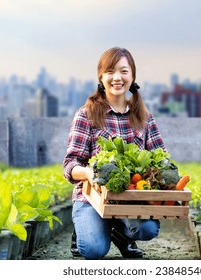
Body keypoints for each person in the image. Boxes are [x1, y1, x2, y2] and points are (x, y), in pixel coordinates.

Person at [62, 47, 167, 260]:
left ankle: (122, 234)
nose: (117, 78)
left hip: (131, 198)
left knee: (148, 229)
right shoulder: (86, 115)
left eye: (123, 71)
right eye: (110, 71)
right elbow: (70, 165)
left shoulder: (145, 117)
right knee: (93, 250)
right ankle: (86, 227)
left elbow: (161, 158)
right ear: (101, 76)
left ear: (132, 76)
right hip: (92, 198)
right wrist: (90, 174)